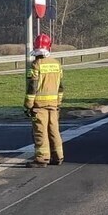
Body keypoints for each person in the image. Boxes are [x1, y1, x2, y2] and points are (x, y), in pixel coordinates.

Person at [25, 33, 64, 167]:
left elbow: (32, 87)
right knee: (54, 130)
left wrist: (28, 104)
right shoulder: (56, 64)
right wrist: (59, 102)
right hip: (53, 104)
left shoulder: (36, 65)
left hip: (39, 106)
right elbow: (60, 86)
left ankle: (42, 159)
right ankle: (58, 156)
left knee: (40, 131)